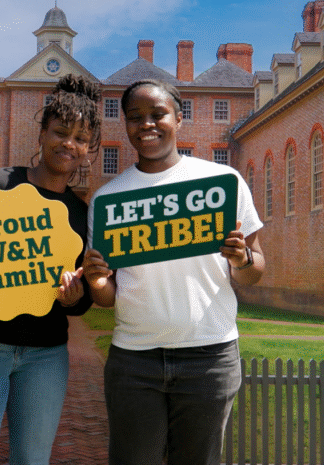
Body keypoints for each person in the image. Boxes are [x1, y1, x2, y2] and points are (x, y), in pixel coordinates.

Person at [83, 79, 265, 465]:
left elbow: (254, 271)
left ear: (178, 119)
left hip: (209, 356)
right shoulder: (108, 200)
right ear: (126, 125)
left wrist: (242, 260)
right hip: (135, 360)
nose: (146, 124)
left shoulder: (222, 182)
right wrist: (97, 280)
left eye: (157, 114)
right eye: (135, 117)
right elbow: (107, 297)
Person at [0, 73, 101, 465]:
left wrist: (75, 298)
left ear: (89, 150)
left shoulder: (81, 213)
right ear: (42, 135)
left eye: (80, 139)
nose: (69, 143)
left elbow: (78, 303)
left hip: (46, 358)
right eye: (61, 132)